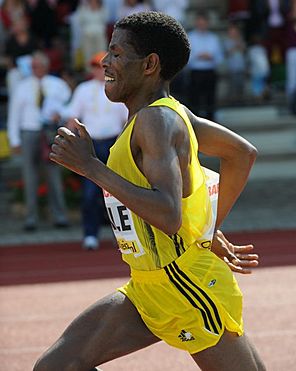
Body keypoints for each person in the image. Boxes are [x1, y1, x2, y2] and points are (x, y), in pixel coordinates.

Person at [34, 11, 265, 370]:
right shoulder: (169, 114)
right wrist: (204, 229)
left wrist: (90, 167)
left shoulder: (157, 120)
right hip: (147, 285)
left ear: (150, 64)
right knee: (57, 366)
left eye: (117, 52)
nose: (106, 61)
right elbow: (241, 153)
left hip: (184, 284)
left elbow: (169, 215)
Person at [62, 51, 127, 250]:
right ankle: (91, 234)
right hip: (90, 143)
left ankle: (126, 236)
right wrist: (67, 139)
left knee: (121, 192)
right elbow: (73, 116)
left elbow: (128, 118)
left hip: (115, 143)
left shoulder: (120, 87)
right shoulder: (83, 89)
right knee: (90, 192)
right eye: (96, 67)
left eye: (103, 67)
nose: (100, 71)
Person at [7, 50, 71, 231]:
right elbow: (14, 114)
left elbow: (69, 107)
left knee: (54, 176)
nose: (36, 69)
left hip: (50, 132)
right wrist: (14, 139)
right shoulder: (22, 86)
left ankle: (60, 215)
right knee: (29, 177)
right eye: (33, 66)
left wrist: (62, 117)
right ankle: (31, 218)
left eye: (39, 65)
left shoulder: (57, 85)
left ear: (46, 66)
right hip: (29, 132)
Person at [187, 11, 224, 120]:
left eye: (204, 23)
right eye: (200, 22)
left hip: (210, 72)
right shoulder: (190, 37)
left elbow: (220, 57)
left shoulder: (214, 38)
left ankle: (211, 122)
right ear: (196, 23)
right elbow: (187, 57)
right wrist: (199, 56)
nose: (202, 25)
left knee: (210, 99)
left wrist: (211, 57)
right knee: (195, 100)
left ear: (207, 23)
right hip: (196, 72)